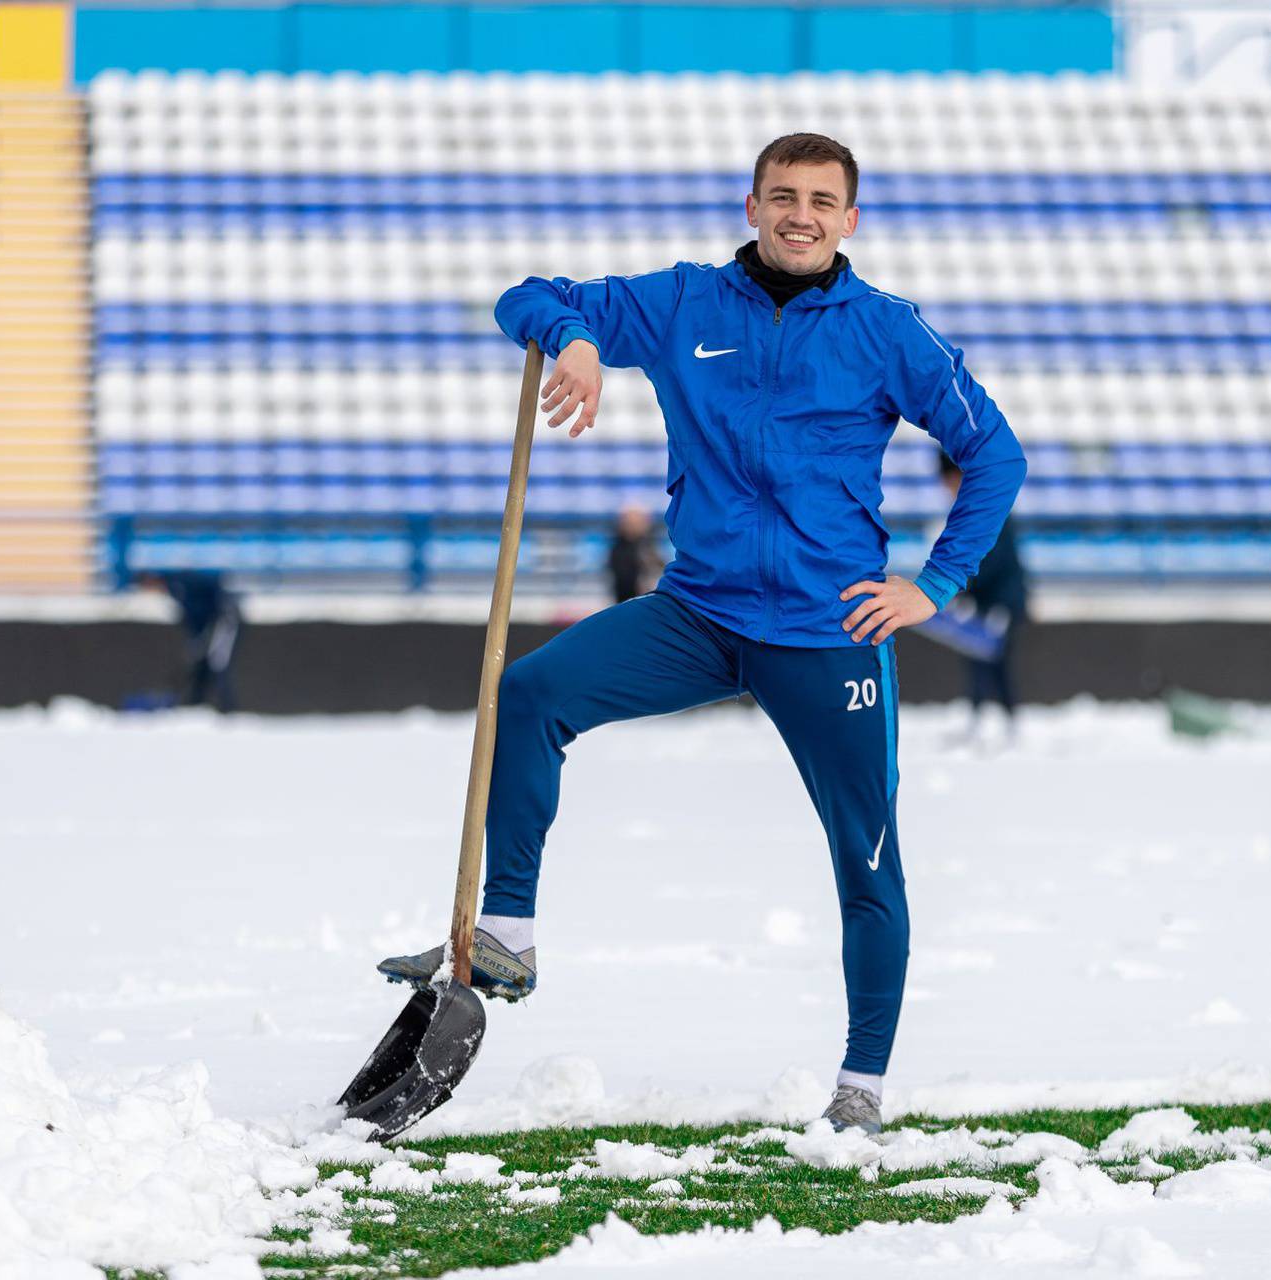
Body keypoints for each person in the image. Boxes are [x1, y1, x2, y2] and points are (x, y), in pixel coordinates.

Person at [379, 133, 1027, 1135]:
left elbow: (996, 454)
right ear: (752, 204)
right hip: (699, 612)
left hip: (830, 633)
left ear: (851, 218)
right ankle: (505, 931)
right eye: (782, 195)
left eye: (821, 198)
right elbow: (526, 295)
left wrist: (933, 586)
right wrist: (579, 339)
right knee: (533, 691)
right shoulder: (685, 304)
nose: (800, 213)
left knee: (867, 861)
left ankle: (862, 1085)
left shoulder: (888, 331)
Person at [937, 451, 1028, 748]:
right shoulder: (971, 507)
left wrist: (961, 587)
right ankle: (985, 720)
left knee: (993, 660)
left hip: (1002, 602)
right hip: (987, 601)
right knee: (979, 659)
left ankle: (1009, 723)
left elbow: (993, 560)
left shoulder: (989, 506)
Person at [140, 569, 242, 713]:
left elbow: (208, 602)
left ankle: (228, 708)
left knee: (218, 663)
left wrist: (203, 635)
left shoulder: (179, 583)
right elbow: (192, 617)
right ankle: (196, 704)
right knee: (203, 664)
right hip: (210, 623)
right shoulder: (174, 590)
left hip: (224, 618)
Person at [606, 501, 665, 602]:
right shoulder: (619, 550)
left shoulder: (648, 545)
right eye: (630, 522)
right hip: (629, 602)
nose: (633, 525)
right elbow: (623, 580)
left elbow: (660, 569)